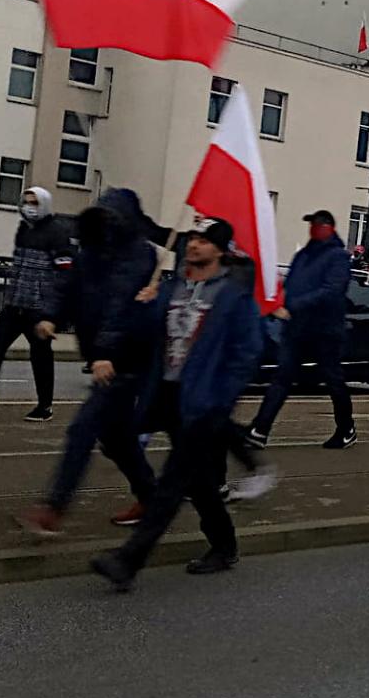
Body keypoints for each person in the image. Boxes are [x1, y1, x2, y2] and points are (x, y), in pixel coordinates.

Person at [89, 220, 263, 591]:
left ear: (218, 250)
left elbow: (247, 353)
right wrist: (138, 311)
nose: (194, 245)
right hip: (166, 394)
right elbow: (144, 335)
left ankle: (128, 561)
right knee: (198, 480)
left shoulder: (233, 296)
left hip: (203, 402)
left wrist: (220, 398)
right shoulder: (171, 289)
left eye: (203, 241)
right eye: (192, 239)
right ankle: (224, 544)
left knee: (171, 483)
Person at [19, 190, 164, 536]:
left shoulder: (138, 255)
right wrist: (51, 316)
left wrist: (105, 354)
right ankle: (153, 497)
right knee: (117, 441)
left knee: (83, 429)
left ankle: (54, 508)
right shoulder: (93, 250)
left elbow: (120, 305)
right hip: (106, 358)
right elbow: (69, 286)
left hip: (126, 361)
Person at [0, 187, 74, 423]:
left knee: (40, 355)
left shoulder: (58, 233)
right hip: (15, 305)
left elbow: (65, 276)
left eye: (34, 202)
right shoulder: (23, 229)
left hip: (39, 309)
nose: (30, 207)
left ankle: (45, 406)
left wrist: (51, 315)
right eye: (27, 202)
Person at [249, 210, 356, 451]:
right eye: (311, 224)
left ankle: (346, 428)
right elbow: (290, 286)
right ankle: (260, 429)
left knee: (333, 380)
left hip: (325, 330)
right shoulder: (303, 257)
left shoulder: (337, 256)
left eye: (317, 225)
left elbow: (332, 290)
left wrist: (295, 304)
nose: (313, 229)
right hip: (297, 329)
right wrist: (277, 301)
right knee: (282, 377)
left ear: (328, 227)